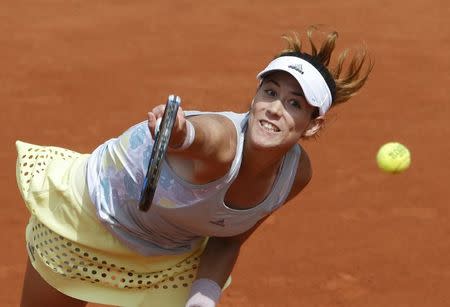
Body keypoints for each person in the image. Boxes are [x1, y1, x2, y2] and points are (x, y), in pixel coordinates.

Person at [16, 25, 373, 307]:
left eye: (295, 103)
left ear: (313, 124)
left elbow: (228, 238)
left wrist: (202, 301)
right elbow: (199, 137)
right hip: (86, 219)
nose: (275, 108)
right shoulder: (222, 142)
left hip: (166, 255)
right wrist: (180, 133)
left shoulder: (295, 175)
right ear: (256, 96)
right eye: (270, 92)